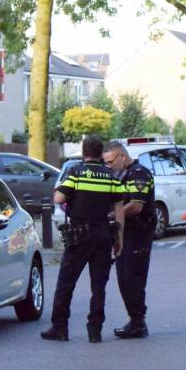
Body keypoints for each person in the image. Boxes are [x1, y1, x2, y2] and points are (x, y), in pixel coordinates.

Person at [41, 135, 124, 343]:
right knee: (98, 286)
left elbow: (59, 198)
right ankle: (95, 330)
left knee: (66, 283)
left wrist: (62, 192)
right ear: (100, 152)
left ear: (84, 152)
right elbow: (119, 207)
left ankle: (60, 328)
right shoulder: (111, 176)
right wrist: (119, 238)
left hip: (79, 237)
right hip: (103, 236)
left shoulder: (76, 173)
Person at [102, 141, 155, 338]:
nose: (108, 166)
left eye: (110, 162)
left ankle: (138, 322)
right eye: (105, 162)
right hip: (125, 234)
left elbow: (136, 206)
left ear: (122, 157)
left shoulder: (139, 174)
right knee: (124, 278)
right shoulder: (122, 175)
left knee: (133, 278)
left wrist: (113, 215)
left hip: (139, 234)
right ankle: (135, 320)